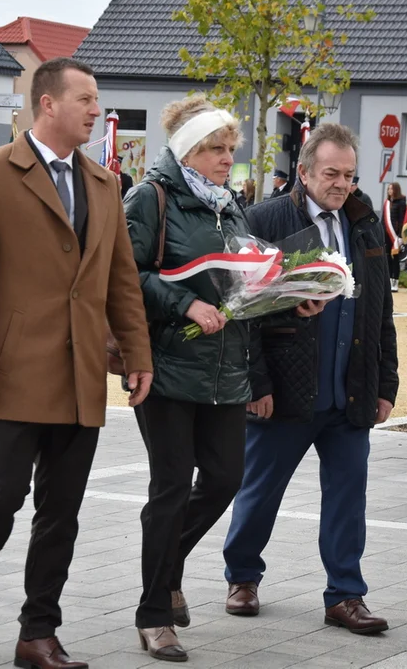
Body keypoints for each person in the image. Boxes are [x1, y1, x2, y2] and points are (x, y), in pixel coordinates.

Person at [0, 57, 154, 669]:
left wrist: (136, 354)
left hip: (82, 376)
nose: (97, 110)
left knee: (60, 514)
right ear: (48, 104)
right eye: (86, 98)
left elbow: (121, 282)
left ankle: (38, 633)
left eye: (97, 98)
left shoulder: (105, 183)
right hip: (8, 370)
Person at [223, 122, 398, 636]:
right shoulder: (265, 219)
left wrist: (384, 383)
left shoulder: (363, 223)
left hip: (350, 392)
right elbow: (242, 312)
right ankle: (242, 576)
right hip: (285, 391)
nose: (341, 184)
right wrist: (256, 385)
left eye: (349, 174)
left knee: (349, 496)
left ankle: (345, 594)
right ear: (303, 171)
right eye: (331, 174)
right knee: (259, 491)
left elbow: (380, 309)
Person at [123, 96, 254, 662]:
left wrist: (285, 298)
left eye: (231, 148)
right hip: (167, 366)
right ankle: (154, 615)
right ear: (187, 149)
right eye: (216, 148)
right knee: (171, 488)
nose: (228, 159)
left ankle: (166, 566)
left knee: (226, 478)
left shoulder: (231, 205)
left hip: (227, 369)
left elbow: (244, 275)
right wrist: (183, 305)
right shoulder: (149, 197)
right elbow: (125, 272)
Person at [383, 181, 406, 292]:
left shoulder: (401, 203)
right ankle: (387, 281)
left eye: (391, 189)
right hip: (386, 235)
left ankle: (395, 281)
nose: (389, 191)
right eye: (388, 189)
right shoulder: (387, 203)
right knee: (387, 258)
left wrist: (401, 235)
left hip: (395, 236)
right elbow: (383, 220)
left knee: (395, 259)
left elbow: (402, 220)